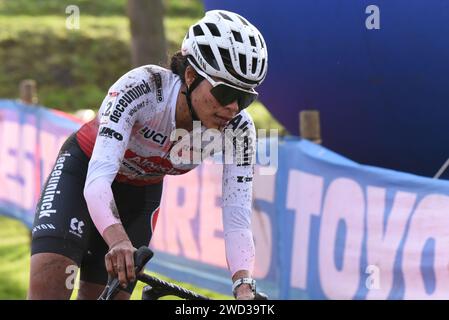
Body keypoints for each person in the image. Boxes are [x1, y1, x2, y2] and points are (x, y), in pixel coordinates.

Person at [28, 9, 268, 300]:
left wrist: (243, 284)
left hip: (139, 195)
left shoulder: (238, 130)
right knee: (50, 283)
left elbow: (237, 216)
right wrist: (117, 240)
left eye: (245, 98)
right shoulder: (143, 89)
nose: (233, 108)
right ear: (191, 75)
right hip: (84, 174)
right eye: (226, 93)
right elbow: (99, 179)